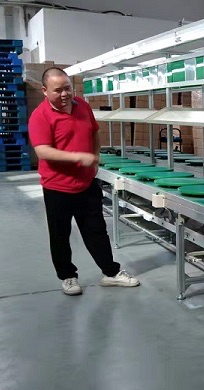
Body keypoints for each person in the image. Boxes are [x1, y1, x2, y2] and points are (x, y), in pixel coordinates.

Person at [28, 67, 140, 295]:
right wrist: (78, 157)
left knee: (96, 230)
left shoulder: (82, 106)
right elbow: (43, 151)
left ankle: (111, 273)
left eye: (67, 88)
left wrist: (95, 156)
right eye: (57, 90)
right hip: (57, 187)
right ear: (44, 91)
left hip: (86, 184)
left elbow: (94, 132)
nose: (64, 94)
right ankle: (68, 277)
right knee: (60, 235)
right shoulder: (40, 116)